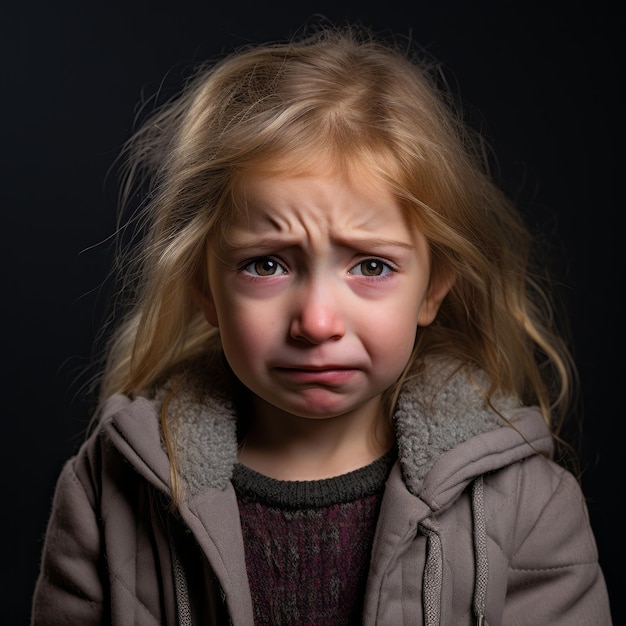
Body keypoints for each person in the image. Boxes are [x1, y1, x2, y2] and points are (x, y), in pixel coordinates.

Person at [30, 21, 612, 625]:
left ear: (432, 289)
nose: (316, 321)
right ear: (204, 287)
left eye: (371, 265)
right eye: (267, 264)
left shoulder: (524, 504)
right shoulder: (109, 488)